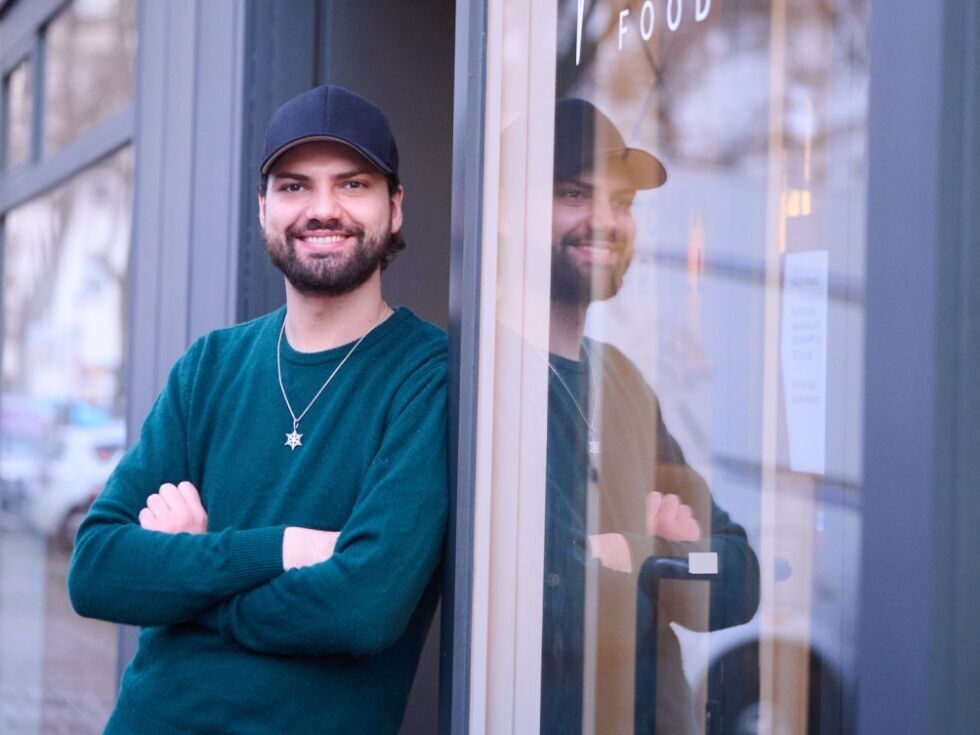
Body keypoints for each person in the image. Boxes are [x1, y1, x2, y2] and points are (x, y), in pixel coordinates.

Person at [67, 85, 448, 734]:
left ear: (396, 206)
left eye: (352, 184)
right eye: (295, 186)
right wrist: (286, 548)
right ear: (263, 209)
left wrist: (190, 575)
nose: (322, 209)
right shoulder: (209, 366)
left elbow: (363, 604)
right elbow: (98, 568)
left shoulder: (429, 375)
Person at [539, 98, 760, 734]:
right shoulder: (480, 382)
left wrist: (636, 555)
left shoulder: (623, 382)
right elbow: (561, 604)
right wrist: (661, 554)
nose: (606, 220)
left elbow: (737, 577)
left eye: (624, 202)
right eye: (576, 193)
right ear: (506, 211)